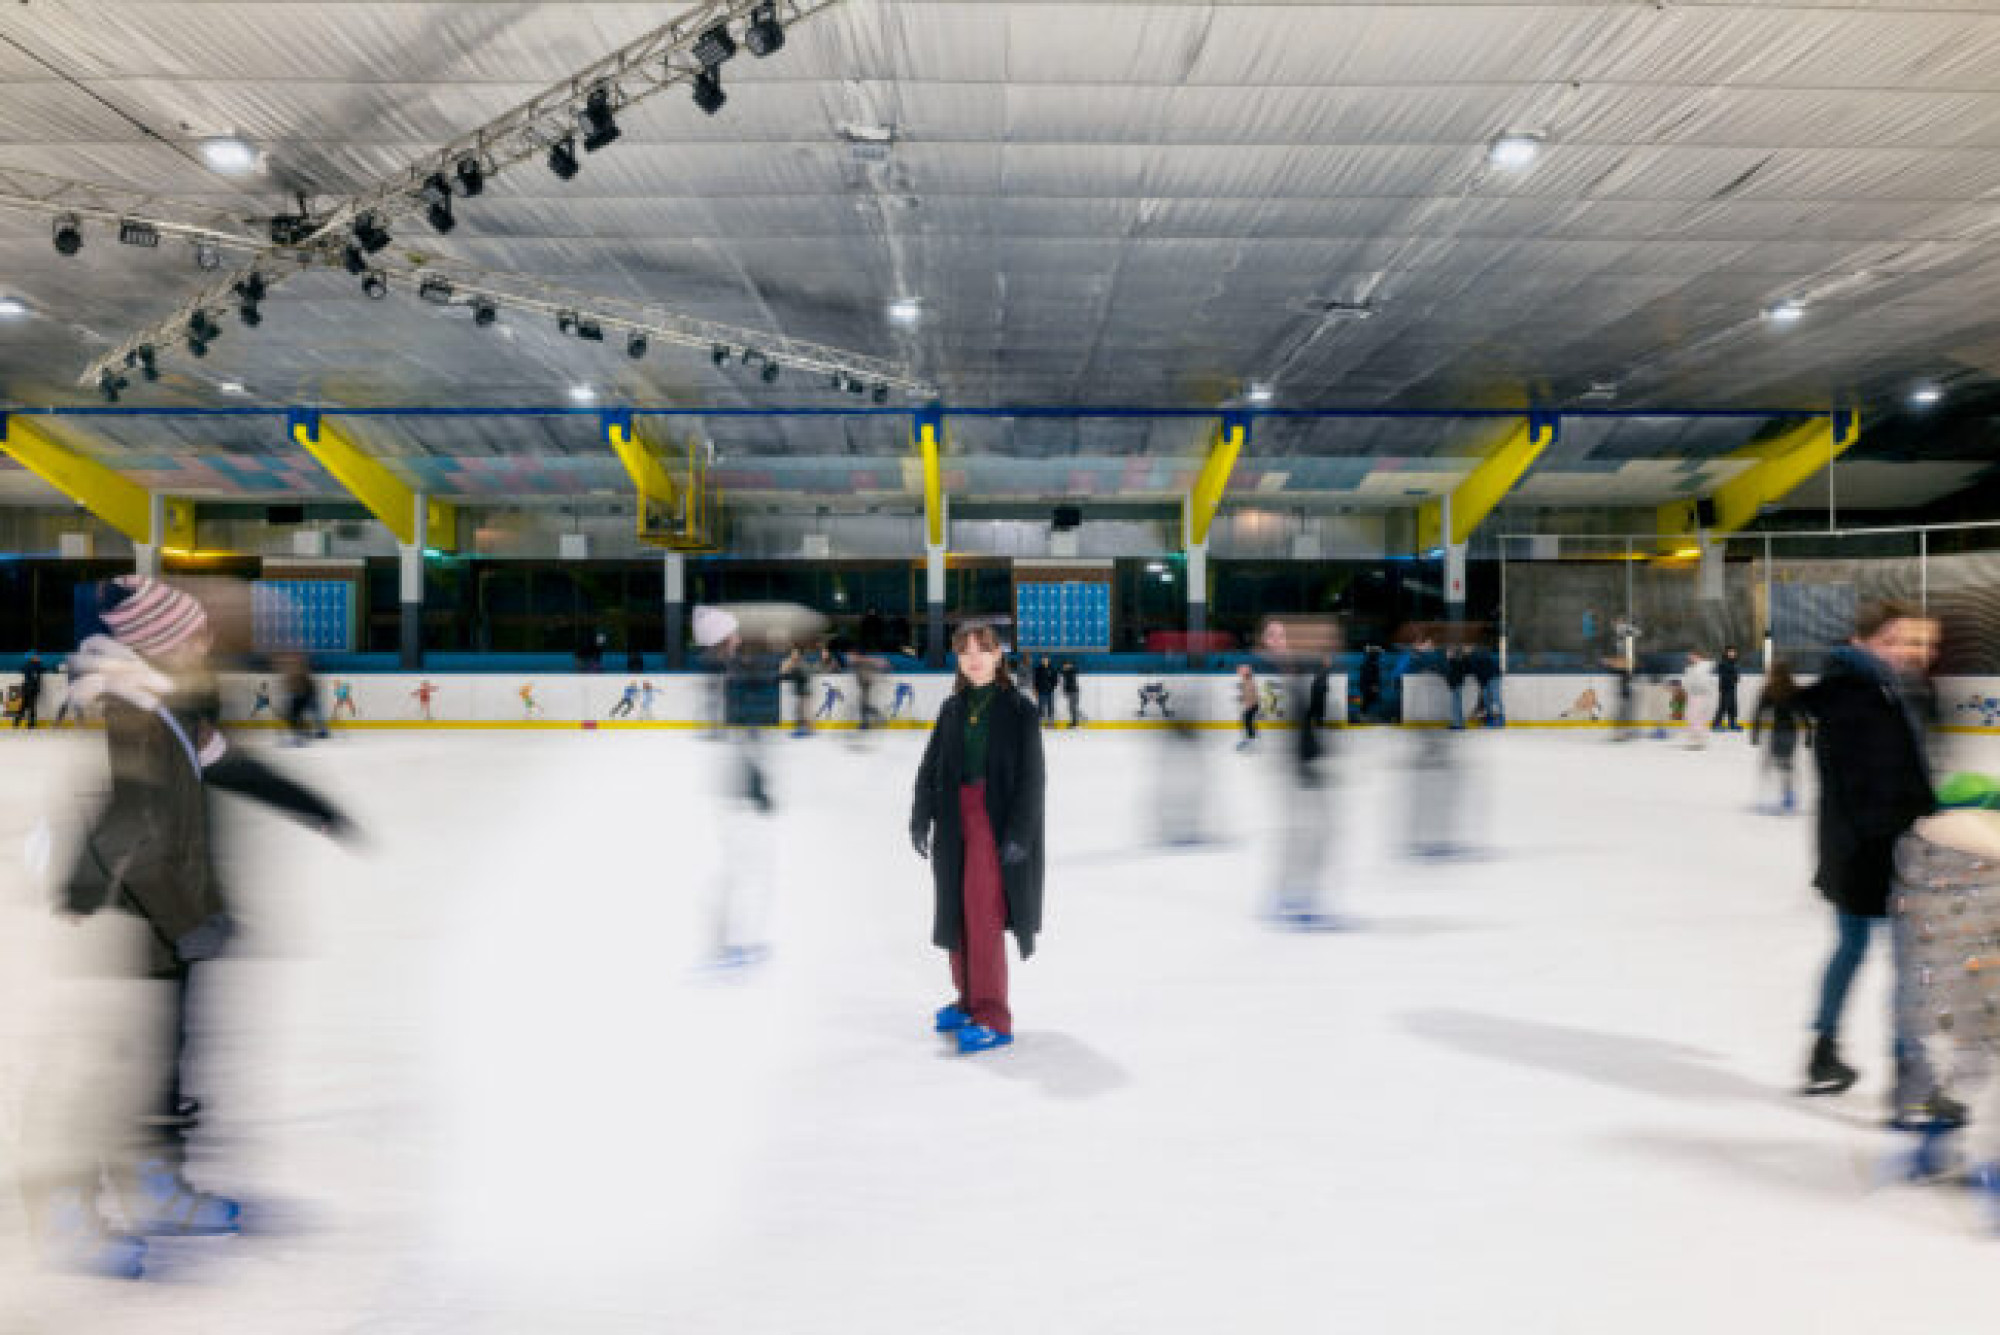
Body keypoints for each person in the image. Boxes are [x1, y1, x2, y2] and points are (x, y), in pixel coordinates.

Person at [32, 577, 352, 1278]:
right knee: (117, 1069)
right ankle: (65, 1212)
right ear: (160, 645)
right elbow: (128, 826)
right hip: (140, 908)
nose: (208, 642)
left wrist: (316, 808)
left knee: (168, 1059)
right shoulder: (136, 714)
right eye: (193, 633)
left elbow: (230, 767)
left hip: (176, 912)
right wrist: (181, 920)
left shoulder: (176, 708)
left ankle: (155, 1180)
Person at [1795, 601, 1955, 1125]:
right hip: (1875, 852)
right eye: (1896, 640)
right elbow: (1872, 789)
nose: (1910, 652)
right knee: (1909, 964)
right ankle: (1911, 1085)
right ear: (1862, 641)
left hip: (1858, 850)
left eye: (1918, 643)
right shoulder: (1857, 695)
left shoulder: (1883, 689)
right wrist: (1927, 830)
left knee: (1853, 948)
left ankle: (1823, 1053)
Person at [910, 622, 1045, 1055]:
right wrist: (920, 816)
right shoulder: (952, 708)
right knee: (955, 911)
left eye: (982, 649)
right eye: (964, 650)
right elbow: (929, 768)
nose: (973, 658)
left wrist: (1020, 833)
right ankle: (967, 999)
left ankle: (992, 1015)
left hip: (993, 820)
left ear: (998, 656)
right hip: (954, 819)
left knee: (983, 914)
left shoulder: (1019, 710)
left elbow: (1033, 779)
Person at [1749, 660, 1808, 814]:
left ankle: (1779, 796)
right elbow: (1802, 714)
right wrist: (1808, 734)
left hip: (1778, 732)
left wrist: (1755, 733)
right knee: (1785, 763)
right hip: (1791, 732)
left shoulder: (1770, 690)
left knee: (1774, 763)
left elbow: (1758, 713)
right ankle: (1787, 795)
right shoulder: (1793, 689)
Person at [1681, 650, 1716, 750]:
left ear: (1699, 656)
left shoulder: (1703, 668)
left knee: (1695, 717)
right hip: (1694, 695)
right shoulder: (1692, 669)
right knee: (1693, 717)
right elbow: (1687, 681)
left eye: (1693, 656)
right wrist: (1685, 687)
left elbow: (1704, 682)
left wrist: (1692, 687)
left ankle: (1698, 741)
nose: (1690, 658)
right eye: (1690, 656)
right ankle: (1697, 740)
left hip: (1701, 695)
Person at [1714, 645, 1743, 732]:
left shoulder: (1734, 663)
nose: (1732, 653)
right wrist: (1733, 677)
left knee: (1733, 706)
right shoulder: (1723, 663)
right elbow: (1724, 675)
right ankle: (1716, 724)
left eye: (1733, 652)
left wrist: (1735, 678)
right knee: (1724, 706)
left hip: (1732, 687)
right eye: (1730, 652)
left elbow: (1735, 675)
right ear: (1726, 653)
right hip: (1725, 688)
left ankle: (1732, 723)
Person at [16, 651, 45, 728]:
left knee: (24, 705)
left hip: (27, 687)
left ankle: (17, 721)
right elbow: (40, 671)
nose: (39, 658)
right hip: (31, 688)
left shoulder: (28, 665)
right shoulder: (36, 666)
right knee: (30, 706)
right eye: (37, 657)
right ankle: (30, 724)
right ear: (33, 658)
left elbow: (23, 669)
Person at [1236, 662, 1260, 750]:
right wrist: (1242, 698)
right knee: (1246, 720)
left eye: (1241, 672)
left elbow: (1251, 694)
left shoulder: (1248, 682)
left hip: (1252, 705)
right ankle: (1251, 737)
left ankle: (1251, 738)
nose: (1240, 674)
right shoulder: (1246, 681)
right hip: (1252, 705)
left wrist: (1247, 703)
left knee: (1247, 720)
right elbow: (1247, 694)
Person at [1060, 659, 1081, 729]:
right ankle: (1074, 721)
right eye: (1065, 665)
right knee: (1071, 708)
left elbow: (1073, 671)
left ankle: (1075, 722)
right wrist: (1065, 691)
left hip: (1074, 691)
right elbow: (1065, 681)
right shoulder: (1065, 673)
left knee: (1073, 708)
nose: (1066, 666)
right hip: (1070, 692)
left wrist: (1069, 668)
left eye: (1067, 665)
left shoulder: (1071, 671)